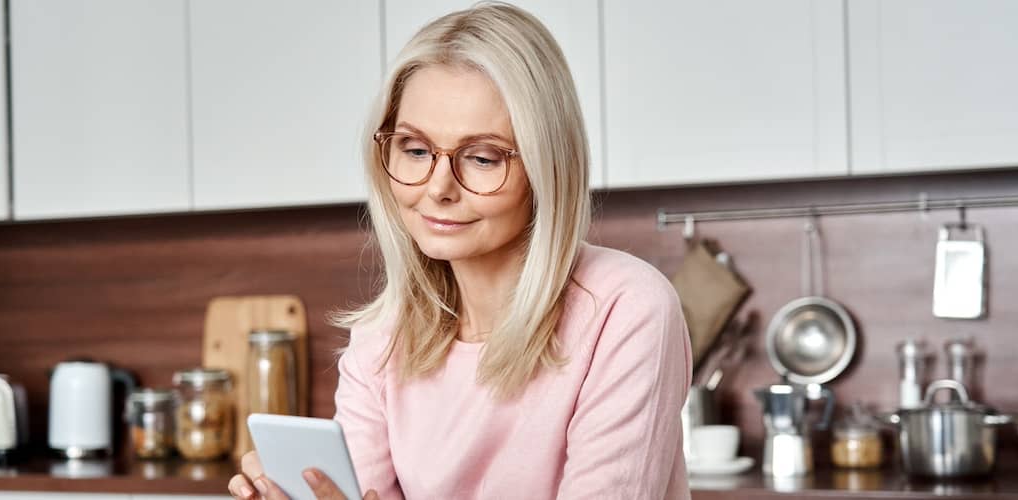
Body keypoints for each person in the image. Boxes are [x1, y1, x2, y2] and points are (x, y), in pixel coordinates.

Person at [228, 3, 691, 499]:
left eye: (482, 157)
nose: (439, 187)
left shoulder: (625, 309)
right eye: (415, 150)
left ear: (546, 167)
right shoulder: (381, 340)